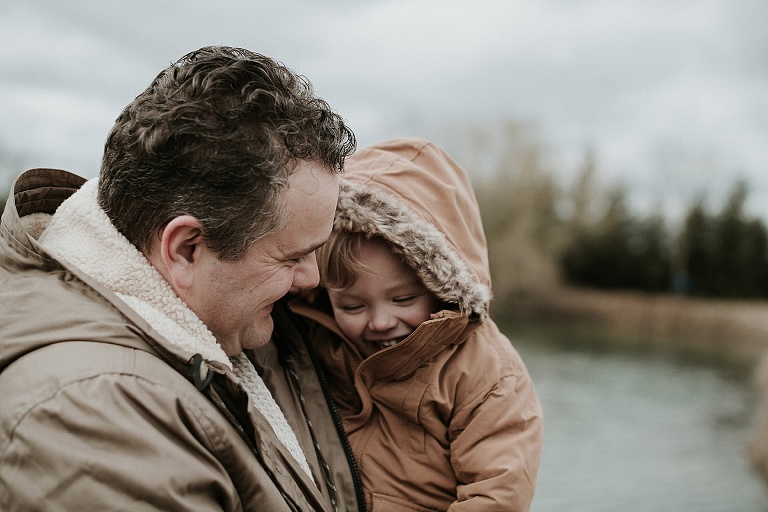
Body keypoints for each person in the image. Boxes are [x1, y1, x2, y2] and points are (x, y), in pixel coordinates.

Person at [0, 46, 365, 511]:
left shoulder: (223, 323)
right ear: (186, 249)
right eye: (292, 256)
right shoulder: (89, 420)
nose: (311, 278)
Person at [289, 137, 544, 511]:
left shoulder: (485, 373)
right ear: (325, 295)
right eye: (353, 305)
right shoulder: (311, 333)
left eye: (403, 300)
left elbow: (498, 494)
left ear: (439, 288)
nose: (379, 322)